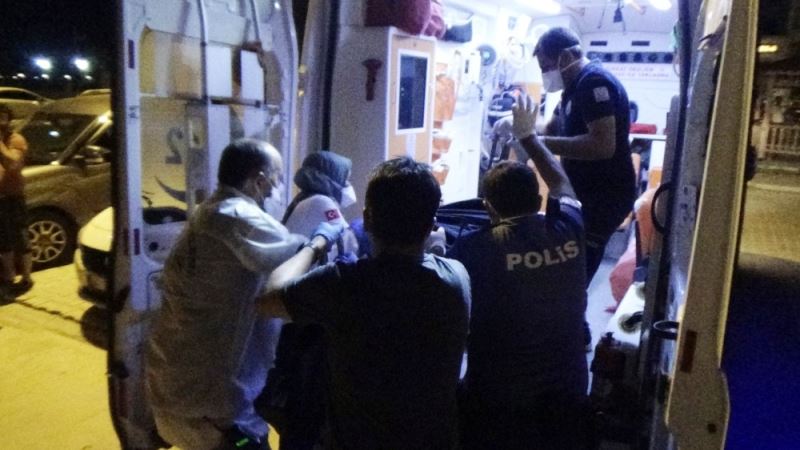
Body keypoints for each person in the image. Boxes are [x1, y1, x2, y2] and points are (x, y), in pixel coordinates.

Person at [259, 157, 471, 449]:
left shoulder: (342, 284)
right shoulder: (456, 278)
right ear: (432, 223)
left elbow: (269, 298)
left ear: (368, 219)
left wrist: (316, 244)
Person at [145, 139, 326, 450]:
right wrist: (320, 242)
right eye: (277, 178)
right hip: (217, 413)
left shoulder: (208, 212)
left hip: (174, 391)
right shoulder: (238, 216)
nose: (278, 188)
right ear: (259, 180)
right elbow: (294, 266)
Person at [450, 95, 593, 449]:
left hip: (499, 405)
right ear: (539, 200)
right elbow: (562, 183)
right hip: (569, 397)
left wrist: (438, 251)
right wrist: (529, 137)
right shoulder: (570, 227)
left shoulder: (472, 249)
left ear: (489, 208)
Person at [534, 27, 636, 284]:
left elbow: (602, 144)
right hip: (579, 193)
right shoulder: (572, 87)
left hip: (602, 197)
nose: (545, 75)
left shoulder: (593, 83)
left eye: (546, 67)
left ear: (566, 57)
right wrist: (521, 126)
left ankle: (569, 308)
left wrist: (538, 144)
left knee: (573, 273)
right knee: (560, 262)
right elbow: (550, 129)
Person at [283, 150, 358, 261]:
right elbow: (349, 242)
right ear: (331, 178)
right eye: (345, 180)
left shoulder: (306, 199)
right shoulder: (322, 201)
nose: (348, 185)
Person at [0, 104, 33, 301]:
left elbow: (13, 162)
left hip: (13, 197)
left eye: (2, 118)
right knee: (3, 240)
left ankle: (27, 278)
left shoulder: (16, 140)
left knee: (20, 237)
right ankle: (9, 277)